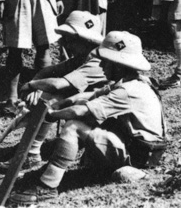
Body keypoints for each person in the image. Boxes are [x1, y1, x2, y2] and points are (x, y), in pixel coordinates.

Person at [11, 31, 165, 204]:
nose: (102, 66)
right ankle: (49, 171)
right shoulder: (133, 82)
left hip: (140, 154)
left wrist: (53, 114)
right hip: (138, 145)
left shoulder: (126, 91)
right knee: (89, 122)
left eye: (106, 62)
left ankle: (47, 187)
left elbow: (80, 111)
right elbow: (90, 96)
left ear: (119, 66)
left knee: (73, 127)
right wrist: (62, 103)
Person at [12, 11, 107, 170]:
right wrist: (36, 84)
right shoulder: (82, 58)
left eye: (71, 40)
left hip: (104, 117)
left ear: (85, 40)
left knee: (51, 97)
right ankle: (31, 151)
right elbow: (49, 71)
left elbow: (58, 84)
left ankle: (32, 152)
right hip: (90, 108)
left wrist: (31, 86)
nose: (66, 45)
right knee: (48, 96)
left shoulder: (96, 61)